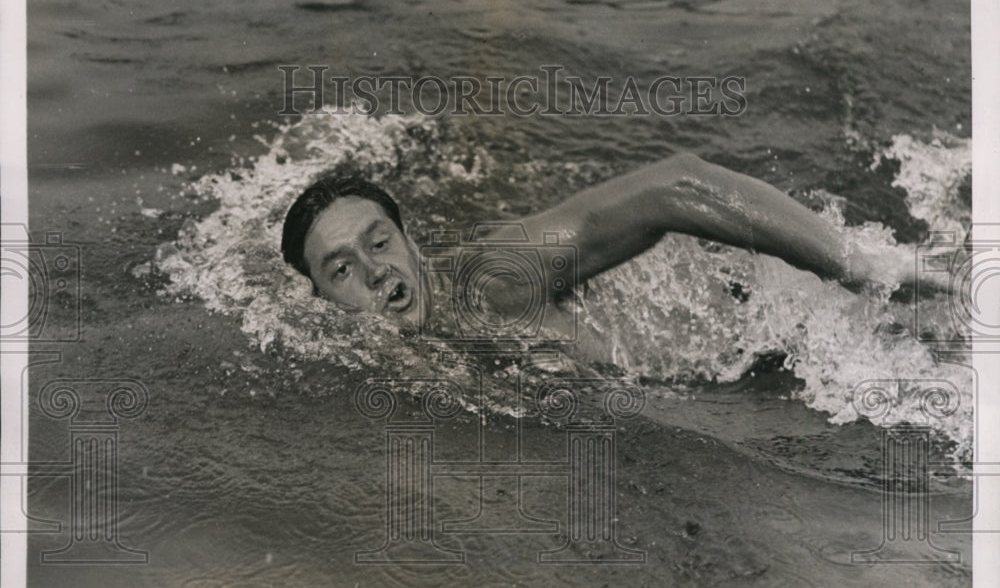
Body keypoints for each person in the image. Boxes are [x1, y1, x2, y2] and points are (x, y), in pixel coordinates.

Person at [280, 152, 924, 338]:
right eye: (341, 269)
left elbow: (674, 185)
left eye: (380, 242)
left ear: (413, 243)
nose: (376, 272)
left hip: (740, 356)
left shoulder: (491, 279)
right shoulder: (367, 353)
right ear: (319, 302)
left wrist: (859, 268)